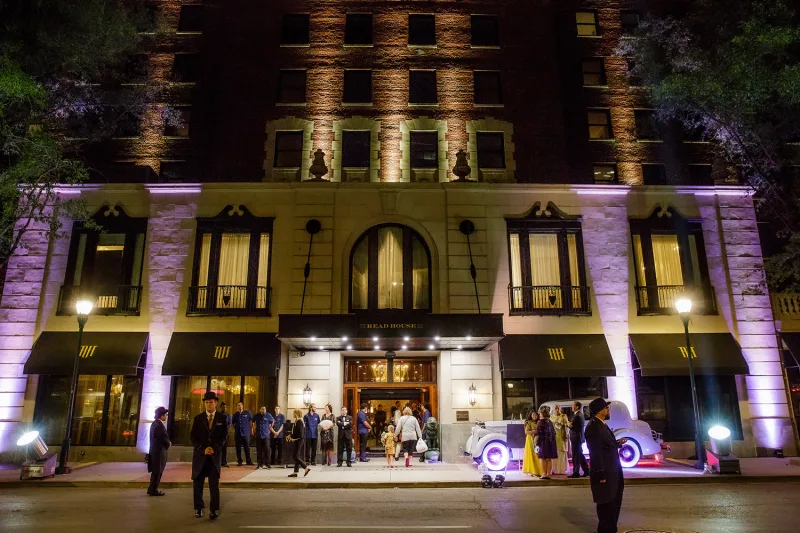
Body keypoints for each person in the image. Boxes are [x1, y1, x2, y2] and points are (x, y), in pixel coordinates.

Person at [585, 398, 627, 533]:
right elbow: (595, 452)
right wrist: (601, 474)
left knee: (614, 504)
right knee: (606, 506)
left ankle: (610, 529)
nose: (608, 410)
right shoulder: (593, 427)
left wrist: (617, 443)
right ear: (599, 411)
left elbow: (605, 445)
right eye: (606, 408)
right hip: (605, 475)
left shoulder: (602, 424)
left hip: (613, 472)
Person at [190, 391, 228, 520]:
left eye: (211, 402)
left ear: (216, 403)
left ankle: (213, 510)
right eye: (206, 402)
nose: (208, 404)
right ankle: (199, 508)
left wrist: (215, 448)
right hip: (200, 456)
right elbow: (193, 438)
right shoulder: (198, 418)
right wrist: (203, 449)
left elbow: (224, 437)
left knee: (213, 485)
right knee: (198, 484)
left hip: (214, 457)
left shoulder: (222, 419)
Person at [147, 406, 171, 496]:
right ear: (161, 416)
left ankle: (151, 489)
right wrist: (168, 443)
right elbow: (163, 437)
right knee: (157, 472)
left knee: (156, 472)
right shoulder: (159, 425)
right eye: (166, 415)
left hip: (155, 451)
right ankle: (153, 490)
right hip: (158, 452)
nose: (167, 416)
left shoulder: (155, 424)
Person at [534, 405, 558, 480]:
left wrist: (535, 443)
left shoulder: (540, 422)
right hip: (551, 442)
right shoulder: (549, 421)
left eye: (540, 413)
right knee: (549, 459)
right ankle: (548, 474)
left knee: (542, 458)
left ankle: (544, 474)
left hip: (543, 442)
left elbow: (537, 433)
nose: (539, 414)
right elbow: (554, 433)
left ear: (542, 414)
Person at [287, 409, 311, 477]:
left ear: (296, 414)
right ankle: (295, 472)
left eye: (294, 413)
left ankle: (306, 467)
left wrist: (292, 437)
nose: (293, 414)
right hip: (298, 440)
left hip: (299, 441)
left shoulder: (299, 422)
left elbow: (300, 433)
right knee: (297, 456)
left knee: (295, 456)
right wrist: (292, 437)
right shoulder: (298, 421)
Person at [568, 401, 590, 478]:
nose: (572, 407)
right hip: (578, 437)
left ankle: (576, 472)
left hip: (576, 438)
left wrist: (568, 424)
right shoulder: (579, 414)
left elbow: (571, 426)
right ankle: (587, 470)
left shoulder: (577, 415)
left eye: (573, 405)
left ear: (577, 407)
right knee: (579, 455)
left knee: (575, 456)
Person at [231, 402, 254, 466]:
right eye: (238, 405)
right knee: (238, 448)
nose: (240, 406)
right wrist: (236, 428)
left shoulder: (247, 413)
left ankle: (248, 461)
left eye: (241, 405)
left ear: (243, 406)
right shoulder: (235, 414)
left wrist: (251, 430)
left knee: (247, 448)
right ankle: (239, 461)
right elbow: (233, 423)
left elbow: (250, 422)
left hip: (246, 433)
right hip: (238, 434)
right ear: (236, 407)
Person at [521, 409, 542, 478]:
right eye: (533, 415)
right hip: (530, 440)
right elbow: (526, 432)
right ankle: (533, 471)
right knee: (532, 455)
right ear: (531, 415)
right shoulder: (528, 422)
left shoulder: (539, 422)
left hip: (537, 440)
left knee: (537, 454)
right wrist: (535, 431)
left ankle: (538, 470)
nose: (535, 416)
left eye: (536, 415)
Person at [552, 404, 569, 475]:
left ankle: (561, 470)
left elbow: (567, 426)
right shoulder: (551, 417)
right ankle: (554, 469)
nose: (556, 409)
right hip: (554, 437)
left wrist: (564, 427)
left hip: (561, 437)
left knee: (561, 454)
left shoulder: (563, 416)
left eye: (558, 408)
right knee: (554, 454)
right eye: (555, 408)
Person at [219, 402, 231, 468]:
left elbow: (229, 424)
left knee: (224, 449)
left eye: (225, 407)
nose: (224, 408)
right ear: (221, 407)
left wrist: (225, 430)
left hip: (225, 435)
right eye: (223, 407)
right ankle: (218, 462)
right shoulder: (217, 415)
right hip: (218, 435)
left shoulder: (228, 415)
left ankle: (224, 462)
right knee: (218, 449)